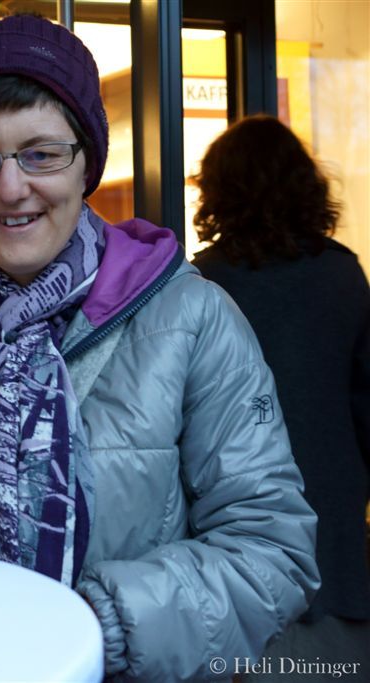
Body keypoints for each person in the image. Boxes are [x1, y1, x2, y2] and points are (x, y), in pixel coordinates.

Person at [0, 15, 319, 681]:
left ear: (87, 160)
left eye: (42, 154)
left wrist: (91, 627)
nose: (11, 188)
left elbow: (271, 551)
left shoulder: (191, 318)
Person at [192, 115, 370, 667]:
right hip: (333, 501)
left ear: (220, 190)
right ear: (304, 186)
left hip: (234, 503)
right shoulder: (343, 277)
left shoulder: (203, 282)